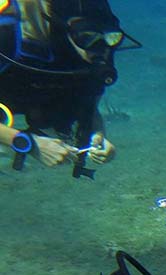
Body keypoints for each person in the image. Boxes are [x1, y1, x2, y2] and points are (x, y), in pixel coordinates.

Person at [0, 0, 136, 173]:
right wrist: (28, 143)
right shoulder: (7, 34)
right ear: (63, 31)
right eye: (87, 37)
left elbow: (88, 97)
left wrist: (97, 132)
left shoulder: (101, 44)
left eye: (112, 37)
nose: (99, 48)